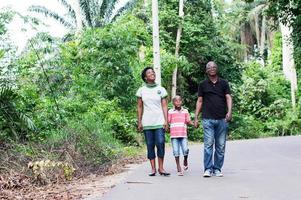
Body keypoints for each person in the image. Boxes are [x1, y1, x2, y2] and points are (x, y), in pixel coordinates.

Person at [194, 61, 232, 178]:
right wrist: (196, 117)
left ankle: (217, 169)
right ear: (206, 70)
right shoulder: (203, 84)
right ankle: (208, 169)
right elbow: (200, 101)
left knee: (220, 146)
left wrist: (229, 112)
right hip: (207, 119)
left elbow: (228, 97)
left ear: (217, 69)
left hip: (222, 119)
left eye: (214, 67)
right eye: (209, 67)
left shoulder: (224, 83)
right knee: (208, 145)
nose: (212, 68)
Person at [136, 67, 170, 176]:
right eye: (149, 73)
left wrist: (166, 120)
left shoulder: (161, 89)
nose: (152, 73)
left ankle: (161, 168)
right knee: (150, 145)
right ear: (145, 78)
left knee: (160, 143)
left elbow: (164, 106)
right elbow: (140, 107)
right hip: (147, 122)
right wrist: (139, 121)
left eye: (153, 72)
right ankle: (153, 169)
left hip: (159, 121)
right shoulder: (141, 90)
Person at [168, 95, 193, 176]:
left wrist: (194, 124)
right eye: (176, 101)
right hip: (174, 135)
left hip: (183, 134)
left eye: (179, 101)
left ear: (182, 102)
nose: (178, 102)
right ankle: (178, 166)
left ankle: (185, 159)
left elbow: (188, 121)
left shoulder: (185, 111)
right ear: (173, 102)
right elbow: (167, 122)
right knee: (176, 151)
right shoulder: (170, 111)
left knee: (185, 150)